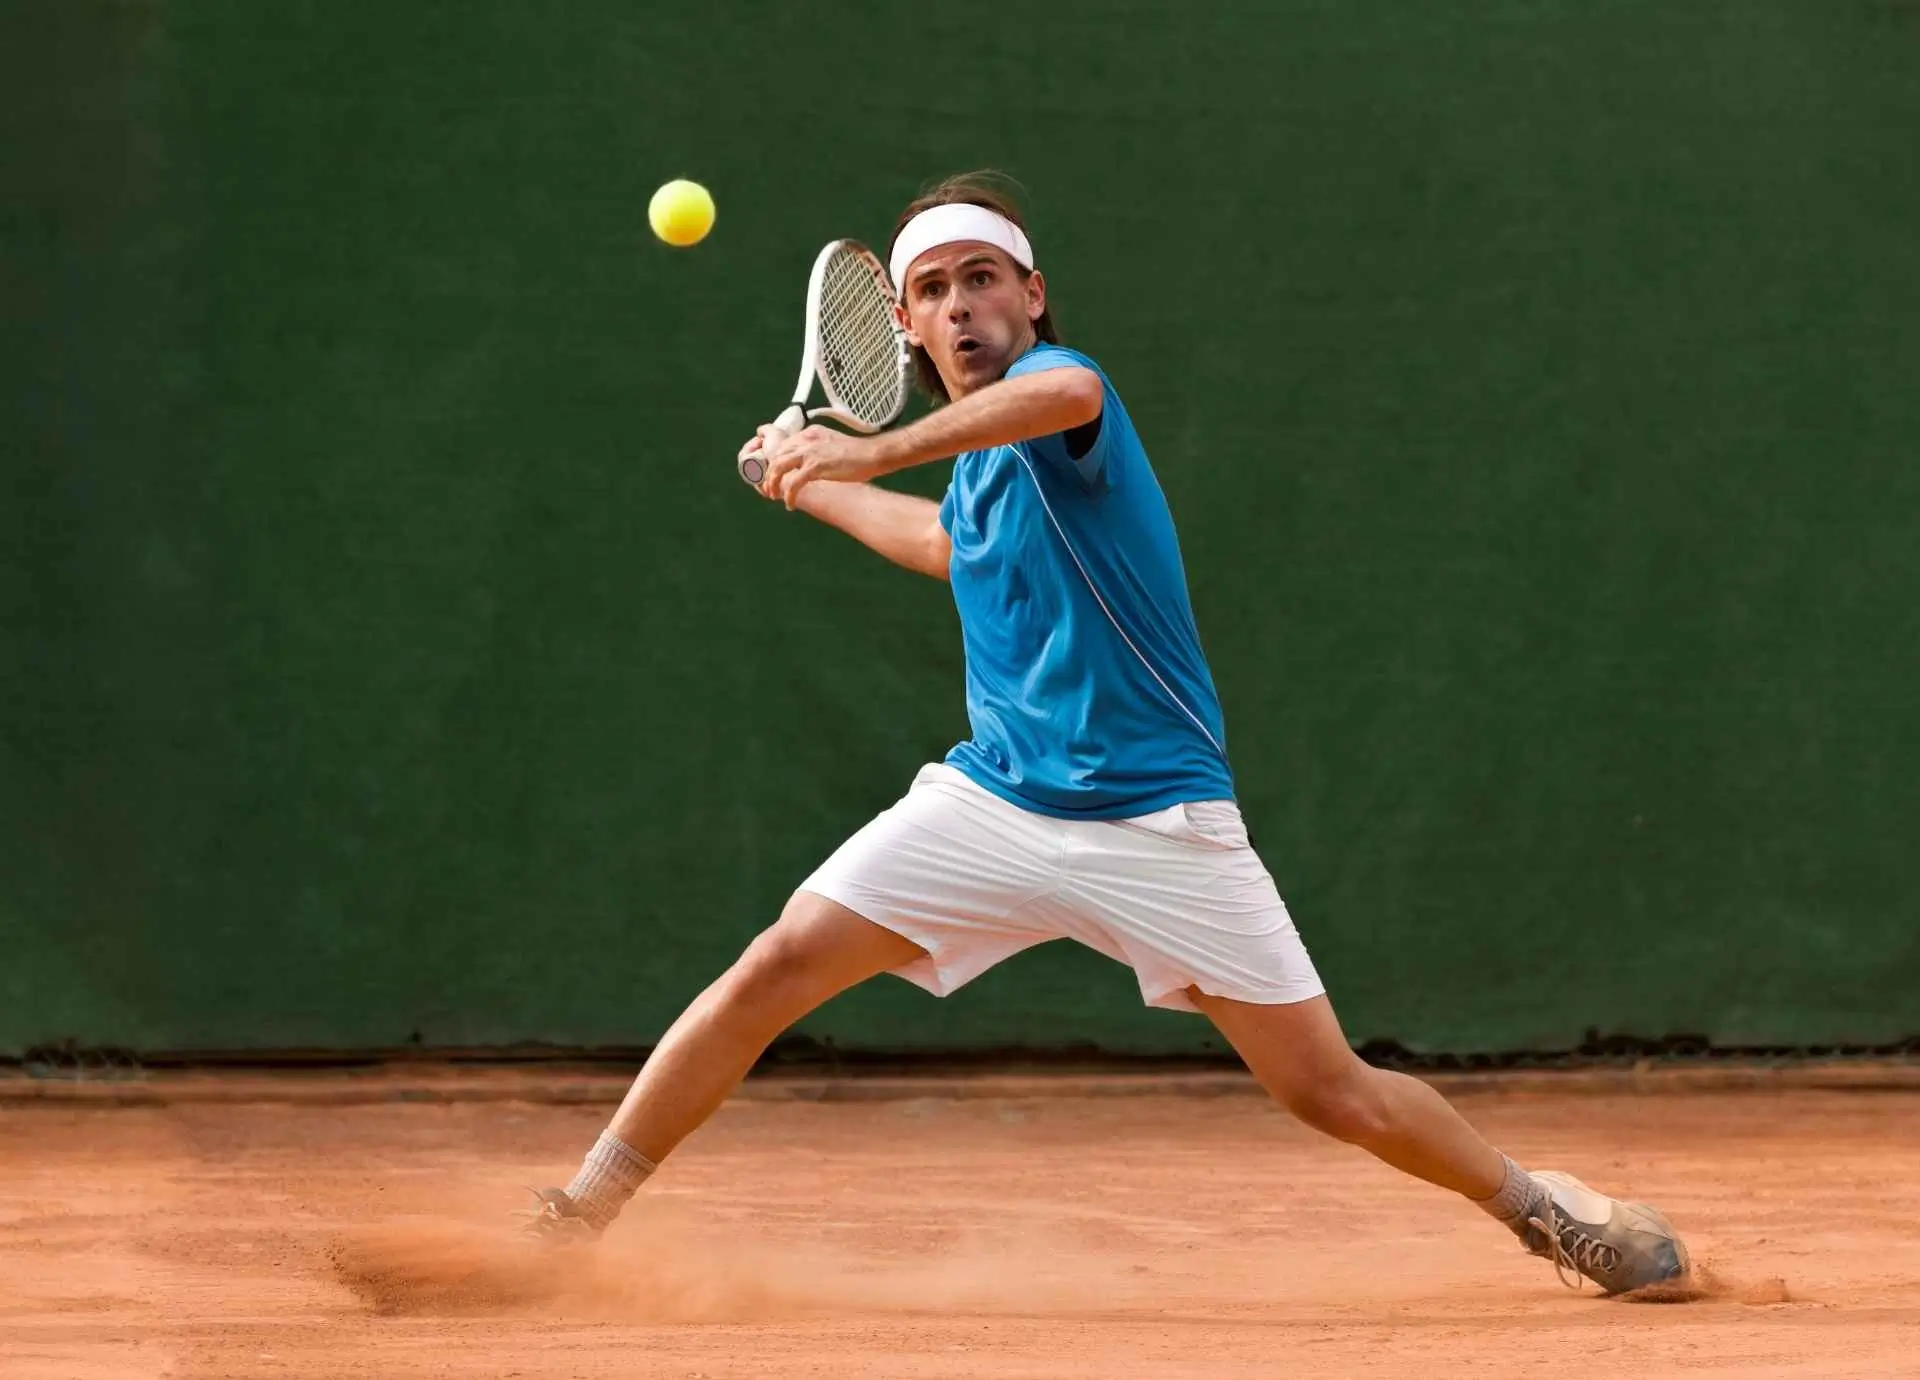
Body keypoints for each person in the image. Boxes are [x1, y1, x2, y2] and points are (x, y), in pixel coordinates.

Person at [520, 172, 1689, 1296]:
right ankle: (577, 1215)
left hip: (1159, 821)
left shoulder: (1067, 395)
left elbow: (1063, 398)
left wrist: (862, 450)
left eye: (984, 278)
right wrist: (806, 481)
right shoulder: (977, 473)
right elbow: (946, 550)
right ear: (905, 324)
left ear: (1032, 295)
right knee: (772, 966)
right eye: (932, 290)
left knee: (1334, 1094)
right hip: (992, 804)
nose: (961, 305)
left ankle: (1546, 1212)